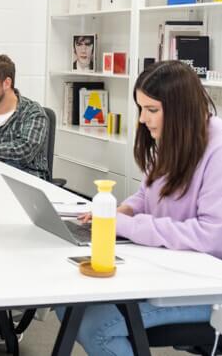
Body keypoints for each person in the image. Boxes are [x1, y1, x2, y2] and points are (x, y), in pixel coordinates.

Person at [67, 60, 222, 355]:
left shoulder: (218, 148)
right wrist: (123, 210)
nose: (142, 119)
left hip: (208, 288)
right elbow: (147, 193)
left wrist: (124, 225)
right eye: (141, 108)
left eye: (152, 110)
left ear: (180, 111)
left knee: (94, 326)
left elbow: (211, 237)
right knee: (69, 307)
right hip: (173, 270)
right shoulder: (174, 137)